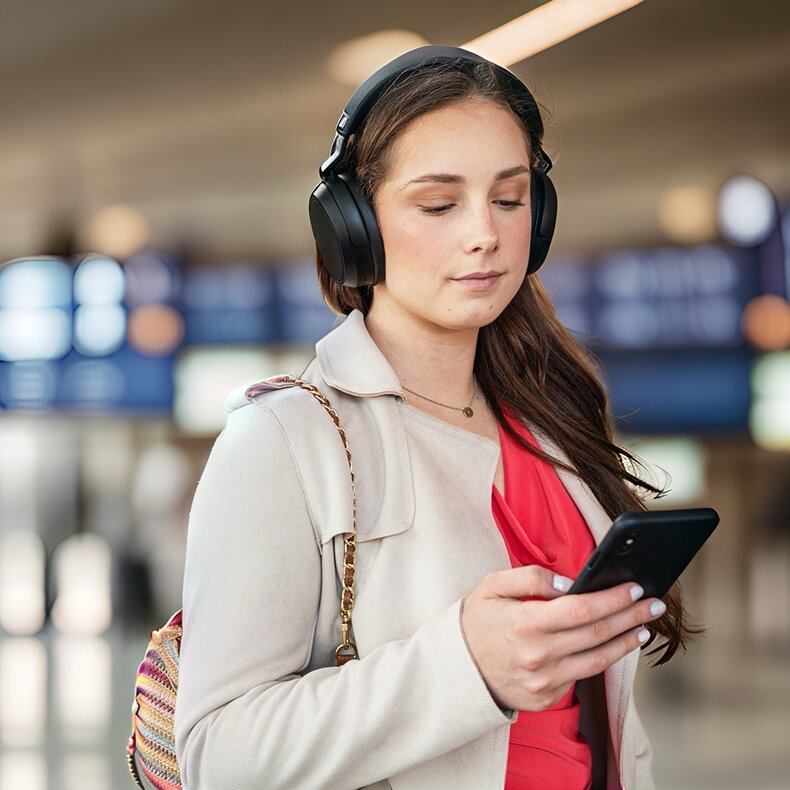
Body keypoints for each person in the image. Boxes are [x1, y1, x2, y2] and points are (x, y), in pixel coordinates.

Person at [174, 46, 693, 790]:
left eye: (509, 200)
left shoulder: (553, 427)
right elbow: (216, 757)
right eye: (439, 204)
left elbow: (609, 725)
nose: (484, 233)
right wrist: (463, 666)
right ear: (354, 225)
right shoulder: (286, 442)